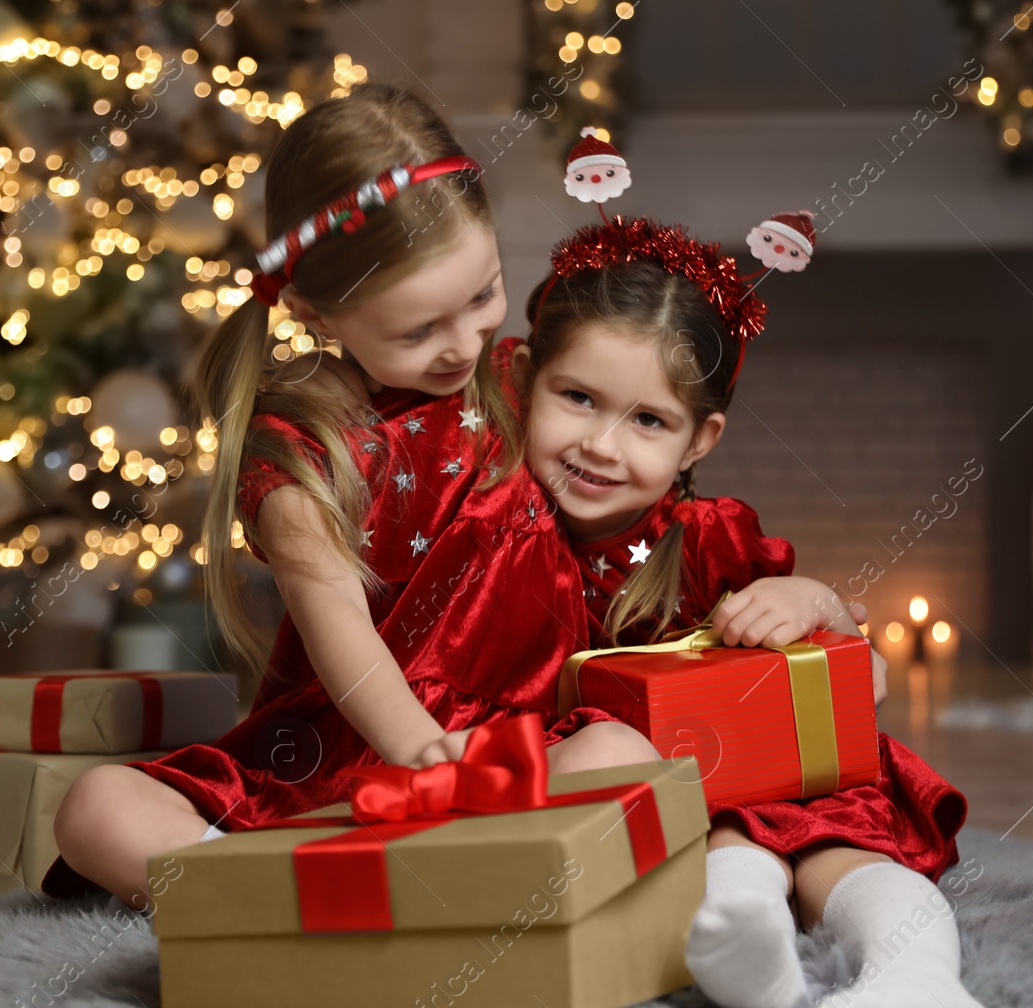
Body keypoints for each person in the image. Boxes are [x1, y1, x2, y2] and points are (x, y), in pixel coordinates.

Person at [49, 84, 654, 910]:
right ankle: (303, 892)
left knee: (622, 750)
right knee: (96, 810)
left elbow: (633, 496)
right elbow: (338, 624)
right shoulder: (300, 444)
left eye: (481, 296)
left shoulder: (519, 380)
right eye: (417, 330)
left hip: (505, 747)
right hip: (339, 758)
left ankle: (349, 893)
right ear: (315, 314)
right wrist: (415, 750)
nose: (462, 345)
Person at [504, 214, 993, 1008]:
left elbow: (848, 657)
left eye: (648, 419)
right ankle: (754, 957)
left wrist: (801, 601)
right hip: (645, 796)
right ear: (523, 380)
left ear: (700, 440)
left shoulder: (708, 535)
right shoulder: (496, 534)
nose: (600, 445)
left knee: (826, 834)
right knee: (724, 846)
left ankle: (915, 975)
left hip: (753, 769)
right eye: (577, 397)